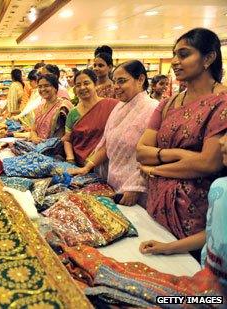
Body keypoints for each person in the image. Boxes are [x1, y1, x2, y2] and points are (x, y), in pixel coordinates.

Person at [137, 28, 227, 246]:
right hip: (156, 206)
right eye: (174, 55)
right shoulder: (167, 104)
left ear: (208, 58)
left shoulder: (222, 101)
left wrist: (154, 170)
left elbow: (208, 163)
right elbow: (141, 151)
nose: (175, 61)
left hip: (196, 218)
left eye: (184, 54)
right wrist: (179, 154)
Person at [69, 60, 158, 206]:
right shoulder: (118, 108)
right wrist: (87, 167)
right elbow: (107, 145)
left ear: (141, 79)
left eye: (122, 81)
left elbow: (152, 155)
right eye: (115, 81)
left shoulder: (153, 109)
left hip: (136, 192)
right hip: (113, 185)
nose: (116, 87)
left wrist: (135, 188)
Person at [140, 133, 227, 265]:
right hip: (205, 270)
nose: (221, 141)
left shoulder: (222, 188)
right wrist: (168, 247)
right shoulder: (221, 186)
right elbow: (212, 233)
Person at [62, 69, 118, 166]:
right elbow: (67, 139)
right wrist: (70, 159)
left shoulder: (111, 105)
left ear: (95, 84)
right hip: (80, 164)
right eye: (78, 85)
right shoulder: (73, 113)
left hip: (107, 162)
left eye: (86, 83)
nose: (82, 87)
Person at [30, 74, 73, 143]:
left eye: (46, 86)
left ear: (55, 88)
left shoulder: (64, 106)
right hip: (38, 147)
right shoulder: (40, 107)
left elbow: (70, 134)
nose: (42, 89)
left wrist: (49, 145)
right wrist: (34, 138)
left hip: (57, 148)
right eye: (40, 87)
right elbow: (33, 130)